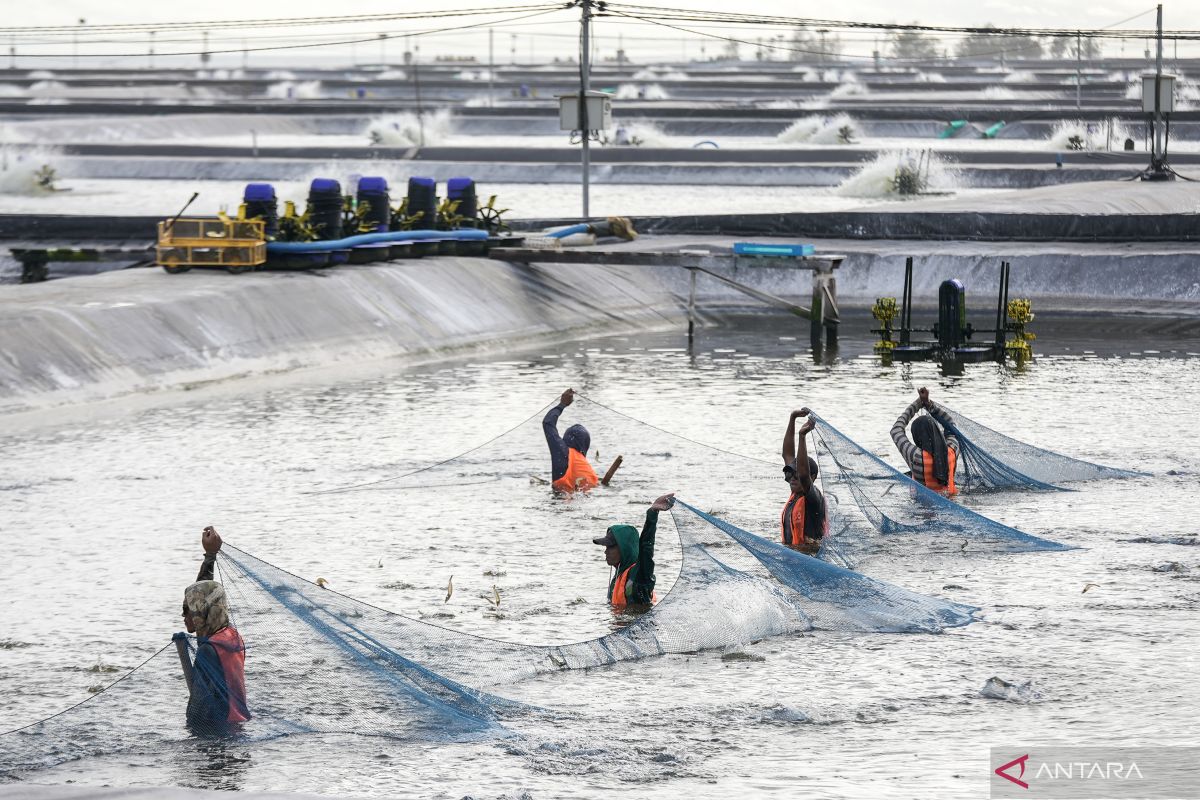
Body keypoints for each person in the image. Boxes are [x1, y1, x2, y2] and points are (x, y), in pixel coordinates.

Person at [182, 526, 250, 735]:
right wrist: (209, 556)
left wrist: (190, 731)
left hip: (217, 730)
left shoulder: (208, 650)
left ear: (201, 612)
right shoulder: (230, 636)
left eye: (188, 610)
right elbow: (205, 593)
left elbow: (199, 708)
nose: (184, 617)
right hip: (238, 723)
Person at [592, 493, 675, 609]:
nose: (606, 552)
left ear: (624, 548)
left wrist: (652, 513)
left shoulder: (641, 574)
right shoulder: (618, 576)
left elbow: (646, 548)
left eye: (610, 547)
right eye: (606, 547)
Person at [891, 387, 960, 496]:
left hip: (923, 506)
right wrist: (928, 404)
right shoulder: (952, 451)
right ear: (936, 431)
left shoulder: (916, 456)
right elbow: (951, 425)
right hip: (951, 500)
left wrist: (918, 403)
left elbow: (896, 430)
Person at [780, 408, 827, 554]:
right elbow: (787, 454)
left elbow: (803, 475)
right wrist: (792, 418)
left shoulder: (813, 497)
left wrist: (802, 436)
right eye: (791, 474)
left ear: (812, 478)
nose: (793, 478)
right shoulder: (795, 489)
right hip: (793, 555)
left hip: (811, 558)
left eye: (797, 475)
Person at [543, 388, 599, 494]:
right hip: (585, 504)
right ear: (585, 445)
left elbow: (547, 423)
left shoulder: (562, 452)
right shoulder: (589, 472)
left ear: (566, 439)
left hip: (560, 502)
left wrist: (562, 405)